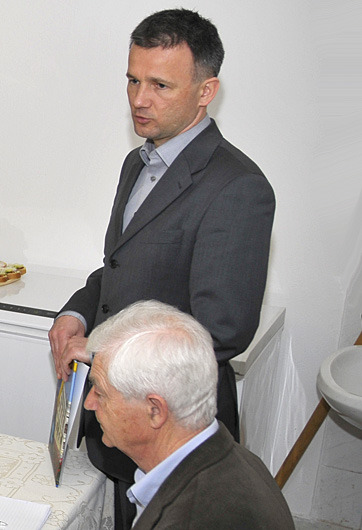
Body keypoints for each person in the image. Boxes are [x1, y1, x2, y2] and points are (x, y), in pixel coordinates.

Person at [47, 10, 275, 528]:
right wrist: (76, 314)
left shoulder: (239, 187)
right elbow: (119, 267)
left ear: (205, 91)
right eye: (133, 80)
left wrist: (101, 352)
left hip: (171, 436)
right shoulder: (139, 162)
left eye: (160, 85)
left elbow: (222, 331)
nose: (139, 99)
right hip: (119, 427)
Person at [82, 300, 293, 529]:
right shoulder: (238, 460)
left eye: (100, 392)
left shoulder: (193, 519)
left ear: (155, 411)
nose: (89, 404)